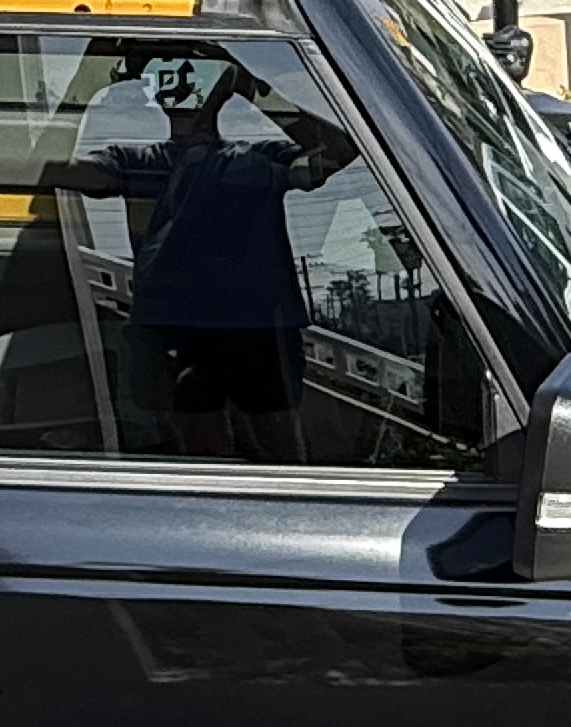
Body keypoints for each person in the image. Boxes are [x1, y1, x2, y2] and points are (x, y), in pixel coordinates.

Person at [41, 51, 357, 461]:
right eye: (166, 77)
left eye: (200, 77)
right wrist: (250, 90)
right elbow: (53, 168)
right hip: (200, 328)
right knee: (203, 451)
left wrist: (257, 92)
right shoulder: (142, 163)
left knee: (274, 448)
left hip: (244, 329)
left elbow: (337, 153)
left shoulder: (257, 159)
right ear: (154, 94)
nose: (186, 87)